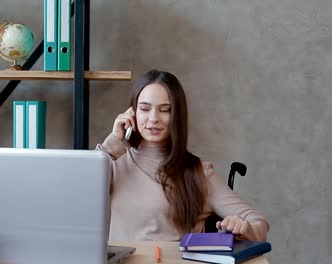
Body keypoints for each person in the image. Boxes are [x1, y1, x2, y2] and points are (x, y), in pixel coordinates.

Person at [96, 69, 269, 242]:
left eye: (165, 110)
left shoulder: (197, 172)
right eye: (145, 108)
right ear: (132, 112)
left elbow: (258, 224)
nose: (153, 118)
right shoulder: (110, 164)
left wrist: (242, 227)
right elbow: (73, 199)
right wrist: (110, 145)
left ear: (177, 116)